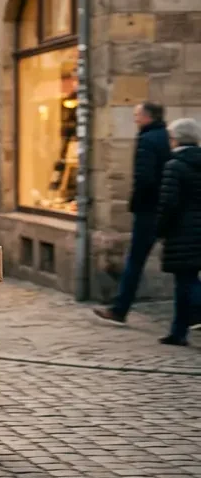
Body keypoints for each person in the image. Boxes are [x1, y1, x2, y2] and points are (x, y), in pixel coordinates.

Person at [94, 102, 171, 324]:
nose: (135, 119)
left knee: (135, 260)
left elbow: (145, 178)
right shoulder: (166, 136)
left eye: (137, 115)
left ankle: (120, 308)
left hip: (148, 210)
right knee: (182, 263)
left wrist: (138, 203)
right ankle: (193, 310)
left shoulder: (147, 139)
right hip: (165, 207)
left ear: (148, 117)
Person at [153, 118, 201, 345]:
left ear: (175, 139)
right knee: (184, 282)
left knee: (187, 281)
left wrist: (160, 229)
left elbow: (168, 203)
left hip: (183, 232)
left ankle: (181, 328)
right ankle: (178, 331)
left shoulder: (174, 166)